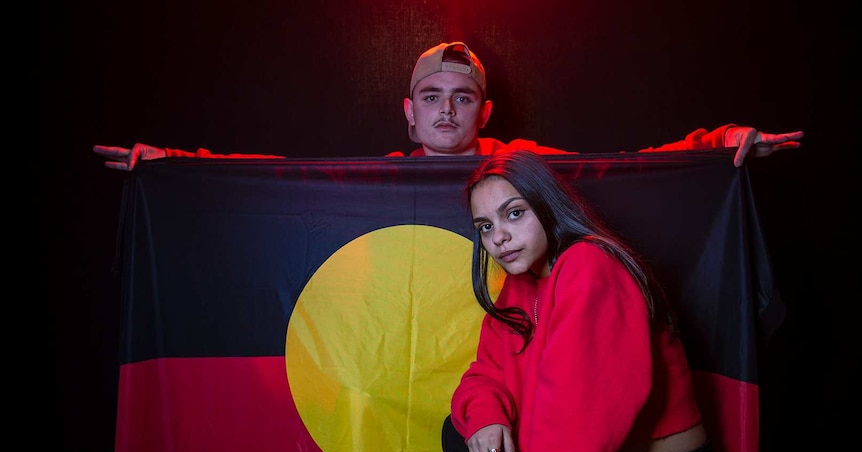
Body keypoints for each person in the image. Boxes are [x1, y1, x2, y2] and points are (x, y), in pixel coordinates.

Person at [442, 149, 722, 452]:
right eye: (486, 226)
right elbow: (485, 373)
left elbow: (580, 412)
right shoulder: (522, 284)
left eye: (514, 214)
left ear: (548, 204)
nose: (498, 237)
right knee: (461, 431)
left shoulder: (590, 265)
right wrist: (484, 416)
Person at [93, 42, 803, 170]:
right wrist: (172, 166)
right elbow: (273, 177)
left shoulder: (519, 163)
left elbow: (631, 168)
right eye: (431, 98)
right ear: (408, 110)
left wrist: (720, 143)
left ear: (484, 112)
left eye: (462, 99)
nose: (445, 112)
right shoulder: (383, 177)